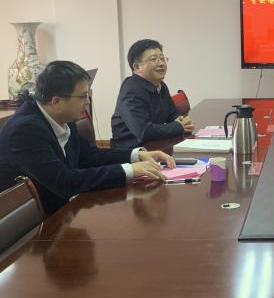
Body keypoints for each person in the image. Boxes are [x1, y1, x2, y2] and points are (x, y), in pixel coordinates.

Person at [0, 61, 174, 216]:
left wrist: (137, 155)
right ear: (56, 101)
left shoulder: (61, 117)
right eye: (82, 96)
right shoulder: (25, 131)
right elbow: (64, 182)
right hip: (33, 229)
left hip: (62, 211)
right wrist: (130, 170)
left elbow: (89, 155)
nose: (88, 102)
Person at [111, 39, 195, 149]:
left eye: (162, 58)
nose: (161, 63)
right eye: (154, 59)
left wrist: (184, 122)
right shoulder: (131, 92)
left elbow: (172, 114)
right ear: (137, 67)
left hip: (155, 145)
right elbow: (145, 131)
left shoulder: (160, 86)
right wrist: (179, 127)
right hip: (132, 152)